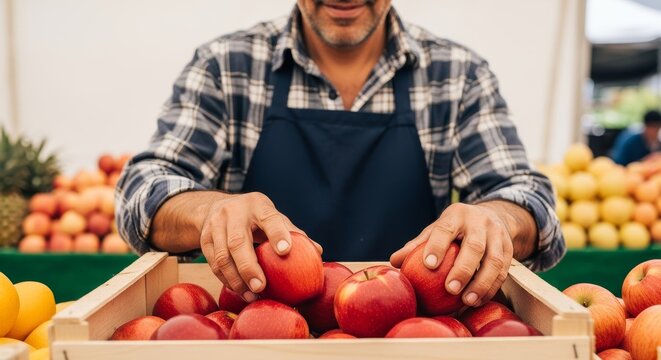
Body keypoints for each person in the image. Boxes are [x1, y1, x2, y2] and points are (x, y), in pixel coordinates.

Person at [116, 0, 564, 307]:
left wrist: (498, 219)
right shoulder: (226, 65)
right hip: (259, 337)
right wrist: (211, 210)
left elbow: (527, 197)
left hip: (415, 341)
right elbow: (143, 189)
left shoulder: (458, 74)